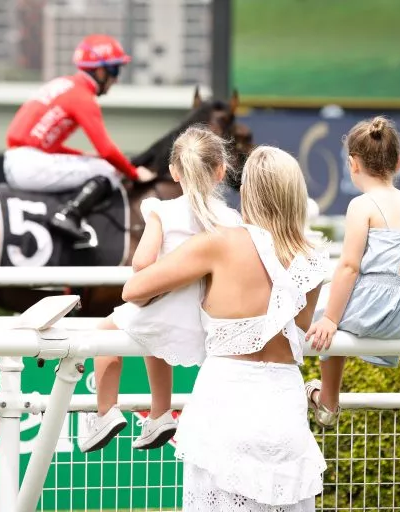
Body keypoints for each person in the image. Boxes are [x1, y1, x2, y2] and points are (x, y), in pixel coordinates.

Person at [122, 145, 328, 510]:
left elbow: (134, 290)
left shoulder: (218, 242)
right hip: (285, 405)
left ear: (247, 191)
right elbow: (299, 329)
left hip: (226, 402)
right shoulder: (313, 259)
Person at [80, 125, 242, 453]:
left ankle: (106, 411)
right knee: (157, 347)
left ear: (174, 172)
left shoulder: (163, 211)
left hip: (159, 306)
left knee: (104, 338)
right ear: (222, 170)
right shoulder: (230, 218)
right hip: (202, 317)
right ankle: (160, 413)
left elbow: (141, 263)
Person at [304, 116, 400, 428]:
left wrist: (331, 320)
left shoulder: (362, 205)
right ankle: (326, 398)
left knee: (316, 312)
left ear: (352, 164)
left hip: (375, 311)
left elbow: (348, 266)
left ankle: (328, 402)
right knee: (331, 309)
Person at [3, 34, 157, 241]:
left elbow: (45, 144)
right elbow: (107, 150)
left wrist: (85, 156)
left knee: (99, 163)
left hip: (19, 160)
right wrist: (133, 173)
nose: (116, 79)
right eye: (115, 70)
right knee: (108, 171)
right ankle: (69, 215)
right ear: (101, 71)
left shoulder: (64, 84)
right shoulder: (83, 97)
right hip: (29, 165)